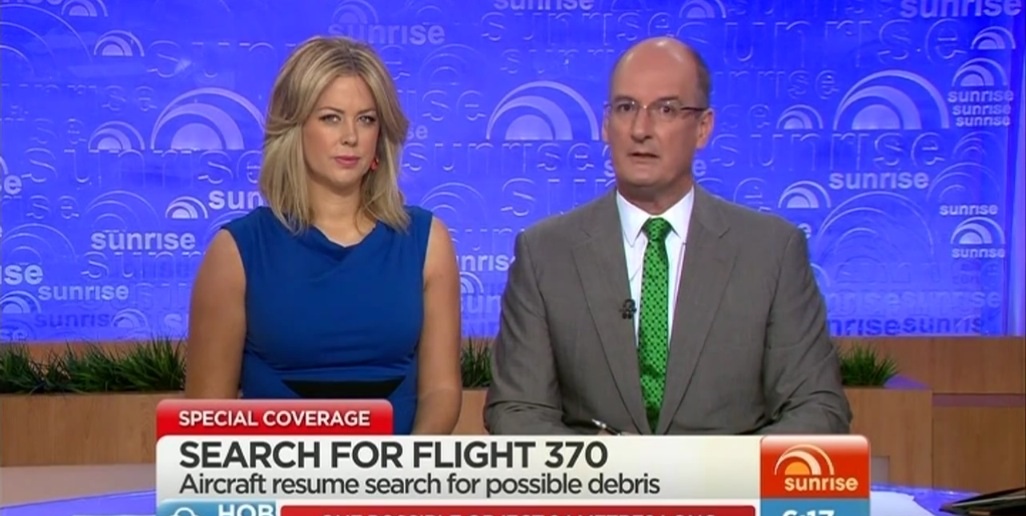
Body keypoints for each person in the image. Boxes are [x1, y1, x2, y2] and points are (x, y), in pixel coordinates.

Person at [485, 37, 852, 436]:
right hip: (597, 477)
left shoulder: (771, 252)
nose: (640, 130)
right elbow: (517, 410)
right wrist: (605, 468)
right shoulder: (545, 255)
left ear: (703, 128)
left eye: (666, 110)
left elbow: (816, 407)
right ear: (606, 125)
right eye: (626, 108)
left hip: (728, 476)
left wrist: (722, 467)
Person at [185, 36, 463, 434]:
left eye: (366, 119)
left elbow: (441, 390)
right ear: (294, 127)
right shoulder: (237, 252)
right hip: (276, 470)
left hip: (401, 467)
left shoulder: (426, 241)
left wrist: (408, 463)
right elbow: (208, 415)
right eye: (331, 118)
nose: (351, 136)